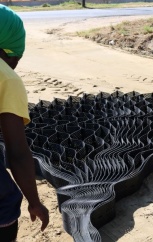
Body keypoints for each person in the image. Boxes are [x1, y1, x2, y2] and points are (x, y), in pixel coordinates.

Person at [0, 4, 49, 241]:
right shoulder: (6, 77)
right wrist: (34, 201)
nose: (17, 62)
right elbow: (17, 152)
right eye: (17, 56)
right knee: (5, 203)